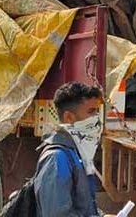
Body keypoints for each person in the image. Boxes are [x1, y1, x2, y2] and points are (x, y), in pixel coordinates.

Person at [34, 82, 115, 217]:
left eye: (97, 112)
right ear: (69, 117)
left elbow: (82, 206)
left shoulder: (77, 154)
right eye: (91, 112)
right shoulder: (56, 158)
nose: (97, 119)